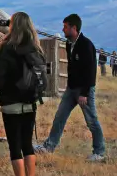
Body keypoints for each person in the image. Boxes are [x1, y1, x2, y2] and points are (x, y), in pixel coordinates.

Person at [35, 14, 106, 161]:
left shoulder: (86, 45)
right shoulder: (69, 44)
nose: (63, 29)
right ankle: (49, 146)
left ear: (74, 28)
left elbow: (90, 71)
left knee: (91, 120)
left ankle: (99, 152)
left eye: (65, 27)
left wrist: (85, 93)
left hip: (84, 90)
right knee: (60, 117)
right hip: (71, 89)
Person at [0, 12, 46, 176]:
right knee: (27, 145)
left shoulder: (7, 47)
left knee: (15, 146)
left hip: (11, 103)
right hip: (30, 103)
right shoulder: (36, 48)